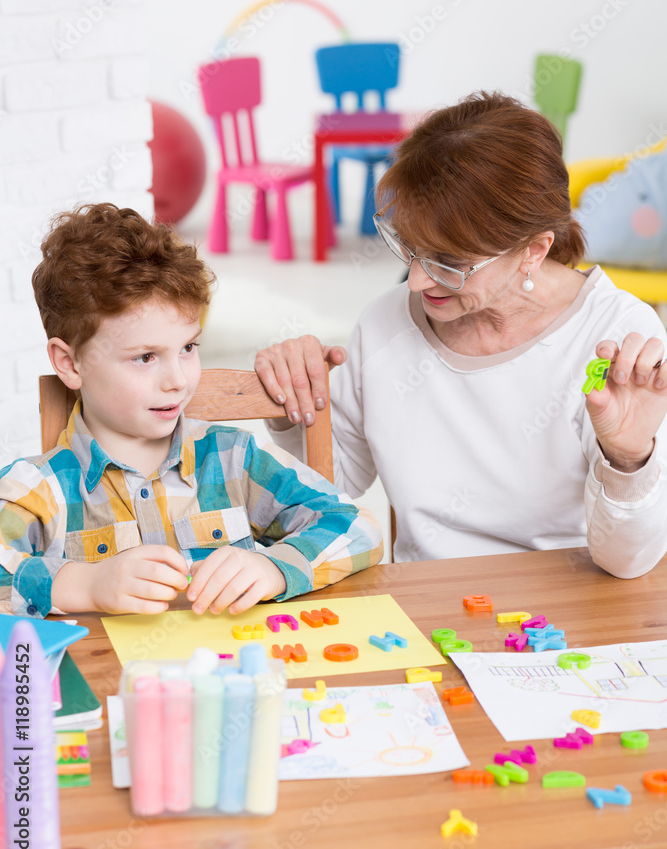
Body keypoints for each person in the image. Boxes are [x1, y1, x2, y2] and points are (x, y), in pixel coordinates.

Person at [255, 92, 667, 578]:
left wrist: (628, 458)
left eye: (449, 263)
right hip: (429, 600)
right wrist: (294, 404)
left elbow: (628, 564)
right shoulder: (385, 322)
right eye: (409, 248)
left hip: (567, 609)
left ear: (534, 249)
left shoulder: (619, 337)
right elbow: (330, 490)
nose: (416, 281)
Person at [0, 203, 382, 619]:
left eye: (187, 348)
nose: (177, 380)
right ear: (70, 364)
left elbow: (357, 525)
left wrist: (273, 567)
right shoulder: (36, 490)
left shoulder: (234, 458)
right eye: (145, 357)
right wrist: (84, 585)